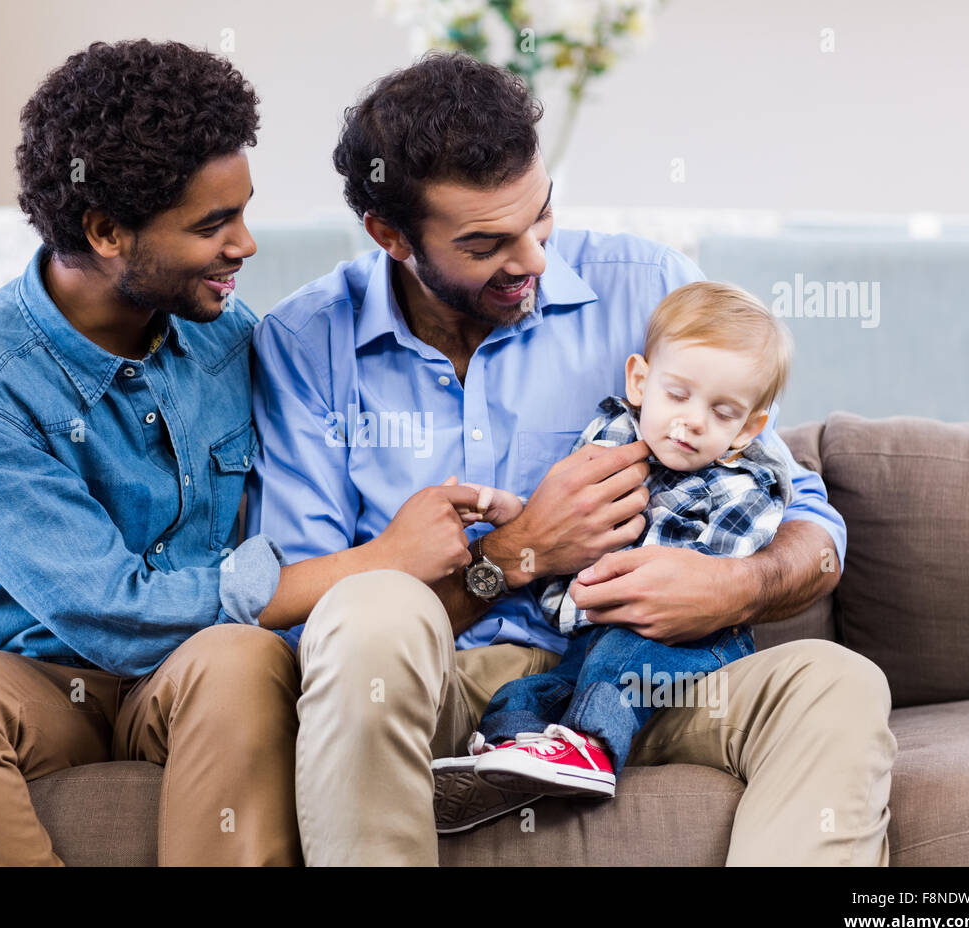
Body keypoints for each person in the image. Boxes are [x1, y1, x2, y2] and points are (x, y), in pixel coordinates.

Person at [248, 52, 897, 866]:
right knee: (367, 609)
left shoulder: (647, 288)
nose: (533, 261)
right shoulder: (307, 346)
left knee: (836, 685)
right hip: (436, 685)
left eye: (541, 216)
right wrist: (512, 559)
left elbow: (806, 517)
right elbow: (314, 631)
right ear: (390, 235)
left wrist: (734, 584)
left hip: (650, 679)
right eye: (486, 242)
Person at [0, 39, 476, 866]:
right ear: (106, 230)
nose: (246, 245)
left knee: (239, 655)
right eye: (212, 224)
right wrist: (382, 559)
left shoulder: (233, 344)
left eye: (243, 210)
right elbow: (112, 612)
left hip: (197, 685)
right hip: (41, 686)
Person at [437, 280, 796, 804]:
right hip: (592, 640)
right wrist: (518, 519)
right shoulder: (612, 438)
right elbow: (563, 538)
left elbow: (701, 581)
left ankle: (590, 749)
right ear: (639, 382)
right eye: (677, 395)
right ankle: (506, 761)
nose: (693, 421)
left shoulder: (743, 485)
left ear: (748, 429)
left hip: (685, 639)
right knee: (528, 692)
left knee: (617, 666)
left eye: (722, 413)